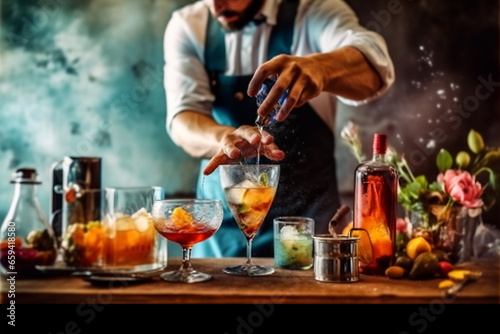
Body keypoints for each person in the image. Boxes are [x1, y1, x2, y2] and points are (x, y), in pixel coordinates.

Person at [163, 0, 395, 257]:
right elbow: (184, 119)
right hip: (221, 237)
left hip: (310, 233)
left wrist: (322, 68)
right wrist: (223, 138)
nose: (216, 7)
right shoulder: (188, 25)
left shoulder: (314, 11)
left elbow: (375, 67)